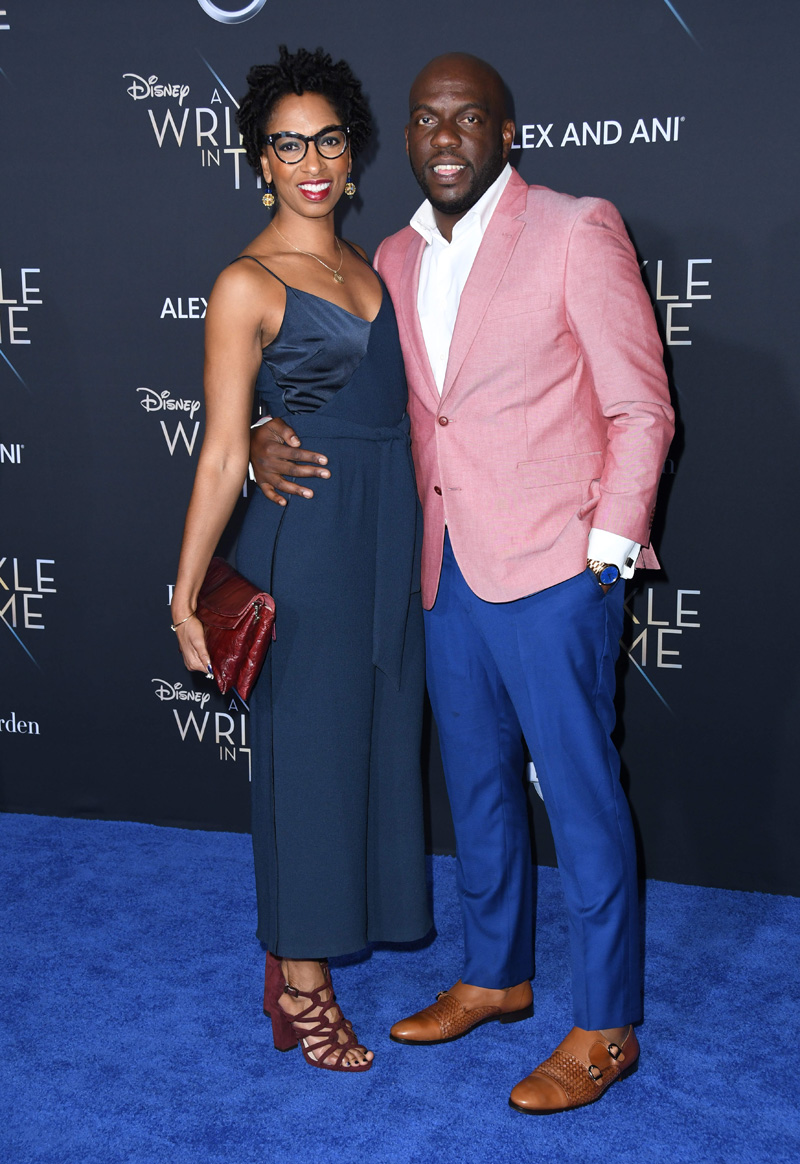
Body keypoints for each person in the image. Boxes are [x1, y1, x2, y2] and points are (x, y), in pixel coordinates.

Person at [250, 52, 675, 1112]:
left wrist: (603, 552)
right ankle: (496, 976)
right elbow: (354, 386)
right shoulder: (388, 255)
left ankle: (606, 1024)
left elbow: (640, 406)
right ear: (406, 137)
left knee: (577, 800)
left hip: (553, 568)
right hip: (439, 572)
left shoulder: (575, 227)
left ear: (506, 132)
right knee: (477, 793)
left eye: (467, 118)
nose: (444, 139)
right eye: (425, 121)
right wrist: (265, 427)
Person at [171, 45, 430, 1075]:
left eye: (326, 138)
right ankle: (301, 986)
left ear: (353, 154)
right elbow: (226, 448)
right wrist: (183, 589)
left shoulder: (380, 270)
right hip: (308, 545)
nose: (310, 159)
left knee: (371, 752)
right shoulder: (244, 283)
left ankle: (313, 949)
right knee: (306, 768)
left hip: (388, 542)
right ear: (259, 163)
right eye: (288, 144)